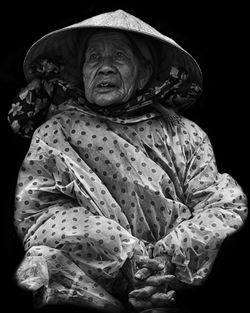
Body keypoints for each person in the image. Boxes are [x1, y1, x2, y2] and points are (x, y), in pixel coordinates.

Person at [7, 9, 247, 313]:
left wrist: (162, 262)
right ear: (81, 72)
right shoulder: (55, 132)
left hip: (175, 279)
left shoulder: (184, 134)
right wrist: (126, 255)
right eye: (94, 58)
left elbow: (220, 206)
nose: (104, 68)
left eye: (118, 56)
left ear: (144, 72)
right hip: (92, 279)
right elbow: (38, 216)